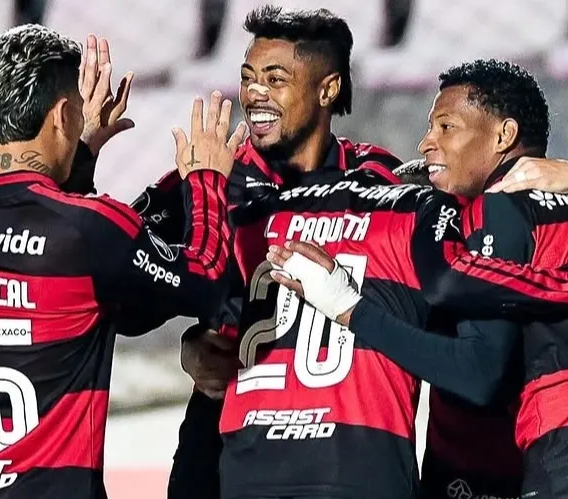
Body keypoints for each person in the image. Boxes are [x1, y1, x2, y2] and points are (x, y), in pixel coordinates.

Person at [275, 60, 568, 499]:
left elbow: (477, 368)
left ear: (503, 136)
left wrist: (351, 307)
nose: (426, 143)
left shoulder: (497, 209)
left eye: (446, 127)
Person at [0, 26, 242, 499]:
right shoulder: (89, 229)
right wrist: (207, 179)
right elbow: (207, 277)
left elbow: (25, 223)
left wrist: (81, 152)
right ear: (65, 114)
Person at [167, 7, 407, 499]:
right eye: (248, 77)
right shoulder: (213, 176)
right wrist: (193, 344)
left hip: (340, 439)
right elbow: (122, 282)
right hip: (223, 424)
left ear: (328, 89)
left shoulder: (379, 178)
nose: (255, 93)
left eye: (275, 79)